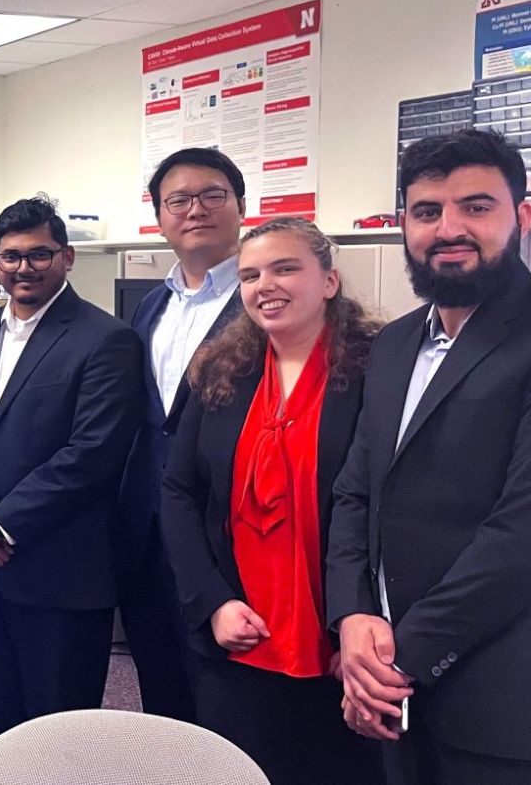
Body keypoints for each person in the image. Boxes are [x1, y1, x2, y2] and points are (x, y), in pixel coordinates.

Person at [327, 128, 531, 784]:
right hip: (392, 689)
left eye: (476, 206)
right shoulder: (392, 346)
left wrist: (400, 659)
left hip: (501, 700)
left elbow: (520, 533)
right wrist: (352, 617)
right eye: (426, 211)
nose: (449, 228)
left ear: (522, 216)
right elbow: (357, 493)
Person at [159, 219, 383, 784]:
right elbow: (180, 491)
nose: (265, 285)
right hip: (238, 630)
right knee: (245, 768)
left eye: (286, 268)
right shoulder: (220, 371)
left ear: (329, 280)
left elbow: (394, 509)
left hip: (341, 638)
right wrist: (213, 603)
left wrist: (356, 620)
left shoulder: (380, 372)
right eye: (251, 275)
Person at [0, 197, 144, 754]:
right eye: (11, 257)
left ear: (67, 257)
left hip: (57, 574)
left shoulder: (106, 338)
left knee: (55, 739)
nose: (25, 268)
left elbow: (93, 454)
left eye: (39, 255)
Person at [116, 146, 250, 723]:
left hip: (228, 534)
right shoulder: (151, 306)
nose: (196, 209)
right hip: (148, 533)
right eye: (179, 199)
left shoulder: (263, 299)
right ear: (160, 215)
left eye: (212, 195)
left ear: (240, 206)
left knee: (226, 692)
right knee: (161, 681)